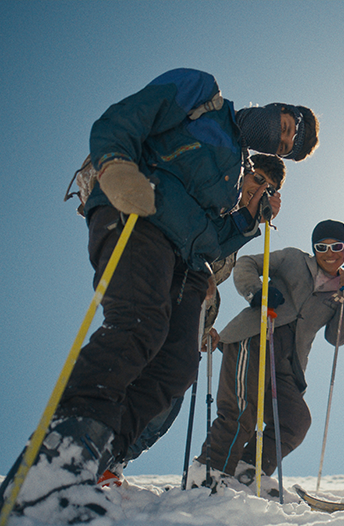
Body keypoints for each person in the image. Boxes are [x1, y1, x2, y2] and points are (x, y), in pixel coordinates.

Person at [0, 69, 311, 523]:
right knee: (137, 327)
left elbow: (210, 242)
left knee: (177, 363)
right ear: (275, 108)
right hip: (137, 214)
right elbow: (125, 117)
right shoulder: (203, 94)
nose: (279, 140)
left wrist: (246, 221)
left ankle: (96, 460)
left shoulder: (237, 173)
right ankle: (58, 458)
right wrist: (117, 165)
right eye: (284, 127)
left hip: (185, 259)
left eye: (284, 147)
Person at [101, 155, 287, 486]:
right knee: (145, 383)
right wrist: (200, 275)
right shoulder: (217, 206)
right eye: (256, 178)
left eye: (268, 187)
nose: (259, 189)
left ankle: (113, 462)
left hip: (188, 318)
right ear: (242, 175)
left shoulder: (242, 228)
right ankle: (95, 453)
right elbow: (189, 249)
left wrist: (202, 328)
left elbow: (211, 280)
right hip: (161, 304)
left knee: (167, 402)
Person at [186, 219, 344, 494]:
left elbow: (337, 337)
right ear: (313, 249)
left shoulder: (342, 290)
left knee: (295, 420)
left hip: (289, 363)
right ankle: (210, 470)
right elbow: (247, 264)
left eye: (337, 246)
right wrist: (257, 291)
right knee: (241, 408)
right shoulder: (292, 258)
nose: (329, 252)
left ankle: (247, 469)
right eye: (321, 246)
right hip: (255, 335)